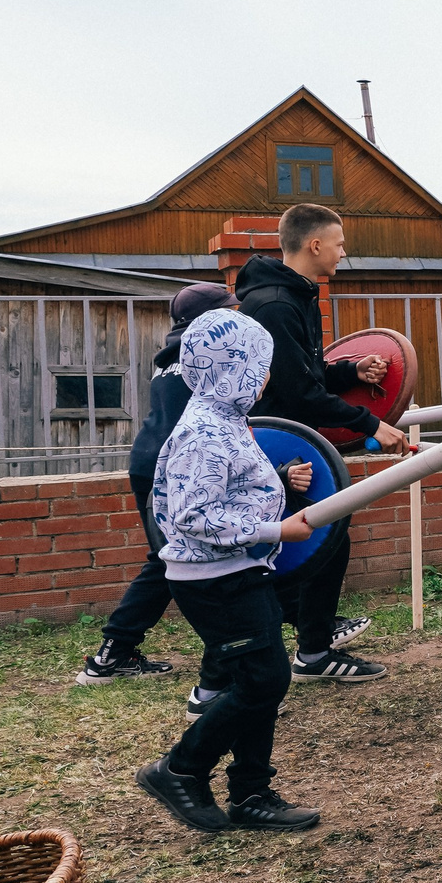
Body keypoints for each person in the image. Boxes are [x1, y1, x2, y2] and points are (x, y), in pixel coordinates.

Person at [132, 310, 323, 834]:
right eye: (259, 367)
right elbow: (196, 516)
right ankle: (180, 769)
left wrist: (280, 484)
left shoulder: (224, 420)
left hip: (236, 570)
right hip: (215, 580)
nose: (265, 378)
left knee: (257, 680)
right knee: (264, 680)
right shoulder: (204, 434)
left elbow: (232, 493)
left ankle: (251, 794)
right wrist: (275, 533)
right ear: (231, 369)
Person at [237, 204, 405, 683]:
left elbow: (305, 374)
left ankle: (310, 646)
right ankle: (293, 653)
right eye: (339, 242)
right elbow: (295, 393)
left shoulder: (295, 296)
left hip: (293, 437)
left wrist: (351, 372)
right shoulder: (275, 304)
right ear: (315, 245)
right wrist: (370, 424)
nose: (343, 251)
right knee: (314, 539)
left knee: (326, 538)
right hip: (275, 443)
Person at [78, 283, 232, 684]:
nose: (237, 315)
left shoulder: (172, 355)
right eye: (230, 309)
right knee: (172, 560)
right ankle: (112, 655)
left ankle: (113, 654)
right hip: (175, 466)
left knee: (167, 557)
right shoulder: (211, 353)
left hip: (149, 459)